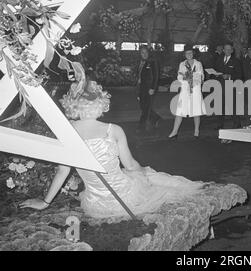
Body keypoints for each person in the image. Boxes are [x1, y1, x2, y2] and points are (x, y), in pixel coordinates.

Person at [19, 80, 208, 218]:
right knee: (151, 177)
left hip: (96, 203)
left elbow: (62, 171)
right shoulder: (113, 130)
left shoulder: (66, 132)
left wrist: (44, 203)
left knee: (144, 176)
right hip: (126, 196)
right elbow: (131, 165)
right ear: (101, 104)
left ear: (72, 105)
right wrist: (144, 173)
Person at [168, 44, 206, 139]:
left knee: (196, 111)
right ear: (184, 54)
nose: (189, 54)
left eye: (190, 52)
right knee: (180, 111)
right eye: (187, 53)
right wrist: (186, 77)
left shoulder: (198, 64)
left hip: (195, 89)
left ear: (193, 53)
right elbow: (179, 76)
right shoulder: (182, 64)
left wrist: (191, 77)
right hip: (185, 90)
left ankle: (196, 131)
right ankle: (174, 131)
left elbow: (201, 76)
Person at [213, 42, 243, 134]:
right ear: (223, 50)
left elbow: (240, 75)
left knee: (233, 106)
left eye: (229, 49)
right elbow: (216, 71)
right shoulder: (219, 59)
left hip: (231, 86)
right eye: (226, 49)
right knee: (219, 106)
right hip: (219, 86)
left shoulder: (236, 61)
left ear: (232, 50)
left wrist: (229, 76)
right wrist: (215, 74)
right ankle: (220, 124)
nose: (228, 51)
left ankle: (237, 124)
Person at [137, 45, 161, 131]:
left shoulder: (152, 61)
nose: (144, 54)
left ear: (148, 53)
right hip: (142, 88)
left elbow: (156, 76)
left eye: (146, 52)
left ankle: (141, 126)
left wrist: (153, 88)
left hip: (149, 88)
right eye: (142, 52)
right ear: (140, 53)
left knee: (146, 107)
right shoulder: (141, 62)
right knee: (143, 106)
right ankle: (156, 118)